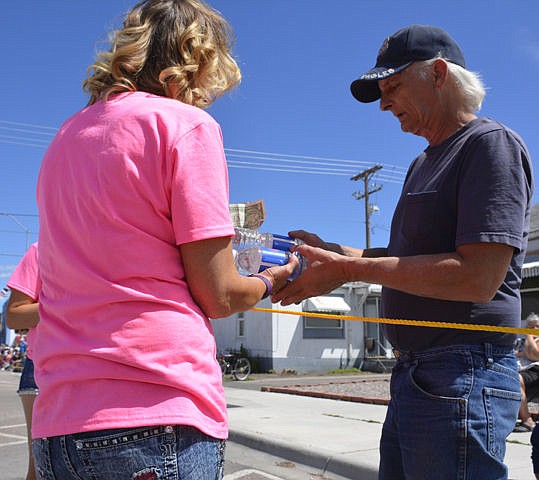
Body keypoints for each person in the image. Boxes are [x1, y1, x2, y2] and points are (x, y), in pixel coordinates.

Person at [32, 1, 296, 479]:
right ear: (198, 59)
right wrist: (272, 279)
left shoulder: (66, 137)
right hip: (154, 409)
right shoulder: (185, 125)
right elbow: (218, 295)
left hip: (57, 423)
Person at [273, 24, 533, 479]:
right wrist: (329, 254)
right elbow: (400, 256)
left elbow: (478, 277)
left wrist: (346, 269)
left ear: (437, 74)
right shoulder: (424, 161)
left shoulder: (489, 145)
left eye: (392, 86)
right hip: (422, 374)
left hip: (462, 370)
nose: (384, 103)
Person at [6, 243, 40, 480]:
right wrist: (68, 300)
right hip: (41, 365)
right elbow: (14, 315)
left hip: (95, 365)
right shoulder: (41, 250)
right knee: (38, 464)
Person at [514, 313, 539, 432]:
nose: (534, 329)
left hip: (535, 371)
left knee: (516, 379)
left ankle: (527, 421)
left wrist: (529, 334)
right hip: (518, 369)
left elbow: (535, 355)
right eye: (531, 327)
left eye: (537, 327)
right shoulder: (519, 340)